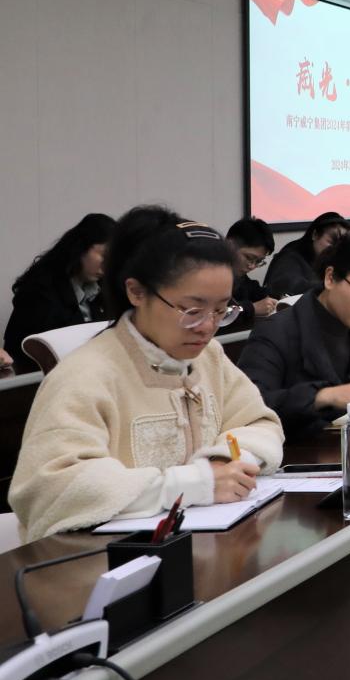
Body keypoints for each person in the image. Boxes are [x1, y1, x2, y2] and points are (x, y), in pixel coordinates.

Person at [9, 206, 283, 541]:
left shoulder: (208, 357)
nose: (208, 327)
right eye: (192, 310)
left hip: (201, 545)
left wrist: (221, 463)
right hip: (100, 559)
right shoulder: (86, 375)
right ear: (137, 292)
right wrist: (194, 483)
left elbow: (260, 423)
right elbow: (53, 488)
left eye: (221, 309)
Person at [239, 233, 350, 438]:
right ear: (330, 278)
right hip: (290, 451)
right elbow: (248, 408)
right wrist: (322, 396)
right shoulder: (276, 332)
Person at [4, 213, 116, 370]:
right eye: (104, 255)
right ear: (82, 247)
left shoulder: (104, 288)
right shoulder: (40, 291)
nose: (107, 266)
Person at [264, 212, 348, 298]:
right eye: (331, 242)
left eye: (341, 245)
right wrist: (331, 286)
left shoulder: (335, 262)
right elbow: (290, 286)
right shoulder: (289, 257)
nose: (336, 249)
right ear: (315, 235)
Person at [226, 217, 279, 323]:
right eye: (249, 258)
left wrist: (279, 298)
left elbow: (256, 291)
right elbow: (216, 314)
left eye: (258, 261)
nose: (252, 266)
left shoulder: (240, 278)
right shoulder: (207, 273)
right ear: (230, 245)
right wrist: (252, 308)